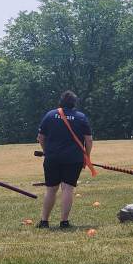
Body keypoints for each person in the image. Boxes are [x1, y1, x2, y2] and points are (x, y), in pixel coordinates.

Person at [37, 91, 93, 229]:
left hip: (52, 158)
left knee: (51, 189)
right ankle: (64, 222)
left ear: (60, 102)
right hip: (74, 158)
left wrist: (46, 151)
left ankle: (44, 221)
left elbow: (41, 137)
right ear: (74, 103)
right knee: (68, 188)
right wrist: (87, 156)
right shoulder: (81, 117)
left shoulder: (50, 115)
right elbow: (89, 140)